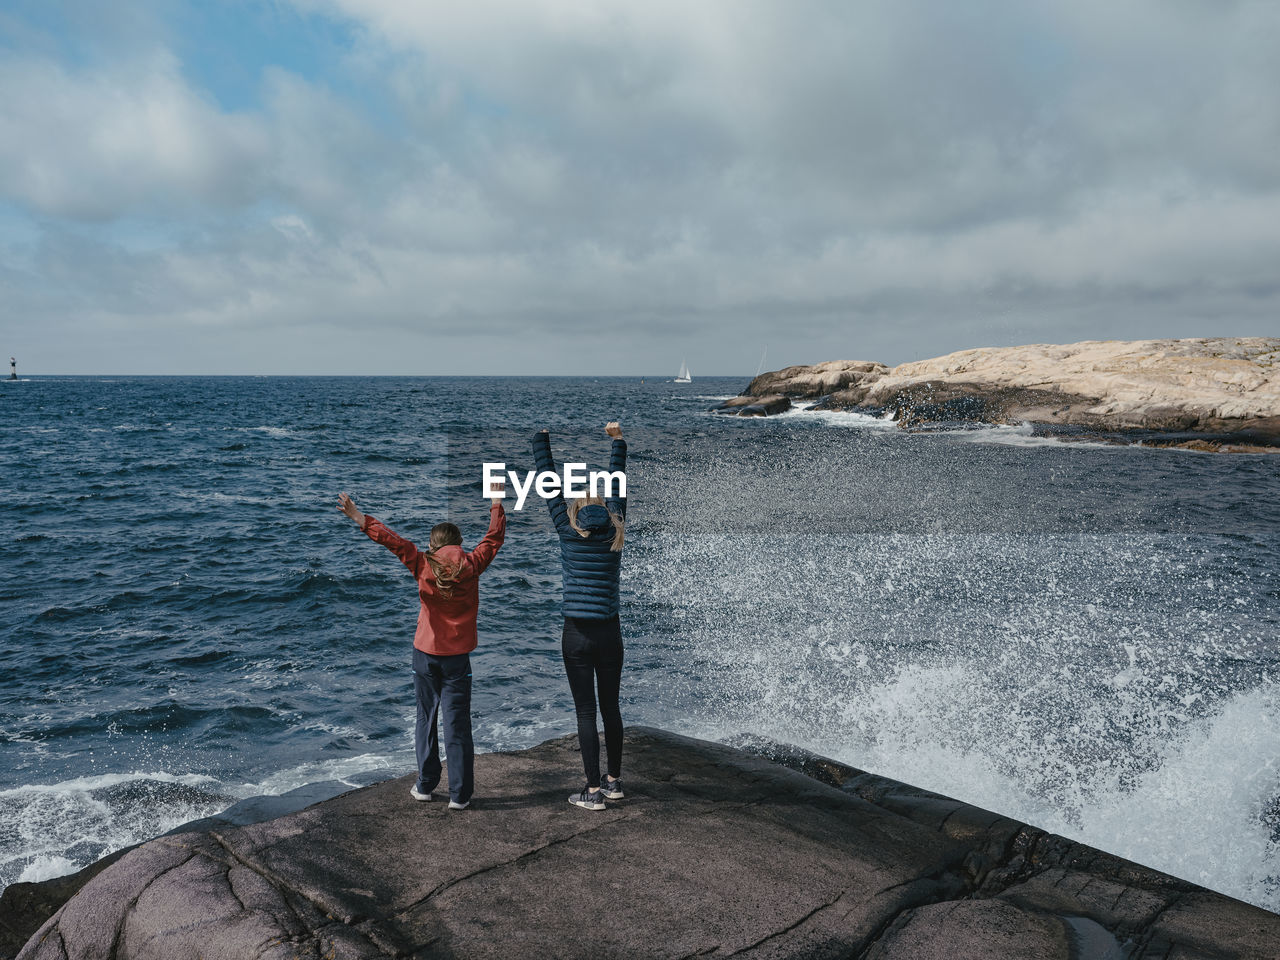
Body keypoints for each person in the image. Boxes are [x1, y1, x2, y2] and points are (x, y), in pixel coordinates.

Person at [338, 482, 505, 810]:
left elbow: (393, 541)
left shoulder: (422, 564)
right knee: (457, 724)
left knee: (425, 719)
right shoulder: (472, 565)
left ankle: (426, 785)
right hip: (457, 659)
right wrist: (496, 501)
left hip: (425, 654)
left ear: (433, 546)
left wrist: (359, 516)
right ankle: (459, 795)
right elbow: (494, 537)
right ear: (458, 544)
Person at [531, 422, 627, 811]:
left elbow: (548, 481)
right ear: (606, 511)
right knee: (611, 708)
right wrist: (618, 442)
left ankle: (591, 791)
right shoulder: (616, 527)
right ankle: (614, 782)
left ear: (574, 513)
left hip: (576, 633)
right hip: (610, 633)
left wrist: (542, 440)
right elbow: (618, 482)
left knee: (585, 711)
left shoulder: (566, 529)